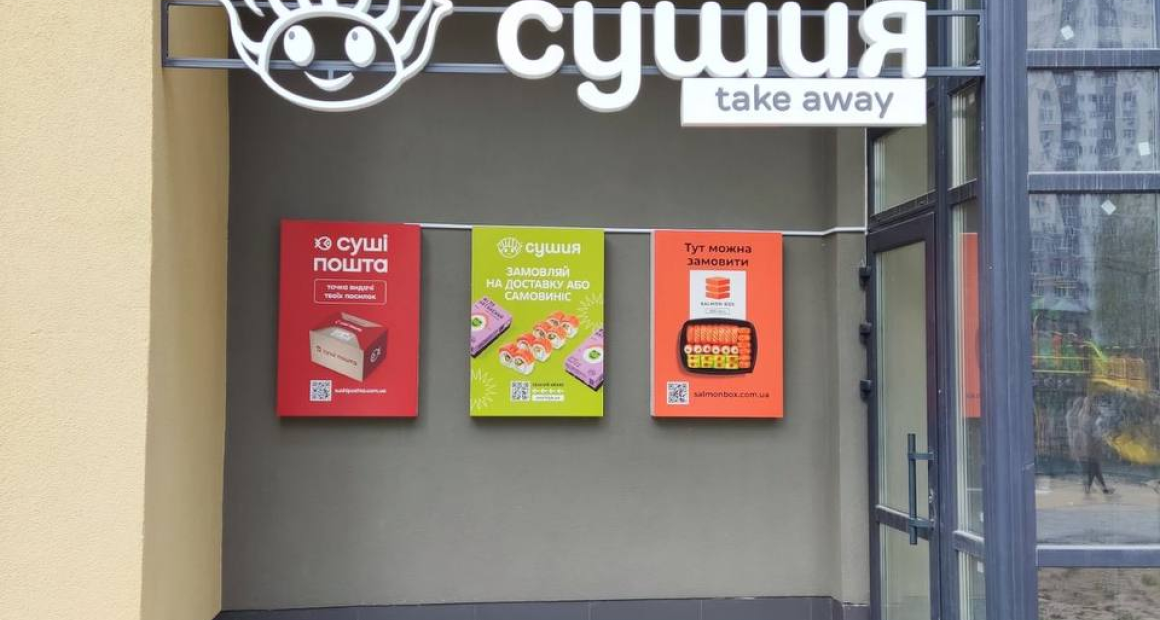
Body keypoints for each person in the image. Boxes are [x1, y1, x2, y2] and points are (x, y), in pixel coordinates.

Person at [1067, 395, 1115, 496]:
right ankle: (1090, 489)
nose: (1091, 406)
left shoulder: (1087, 415)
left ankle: (1100, 489)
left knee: (1095, 467)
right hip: (1088, 445)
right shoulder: (1085, 416)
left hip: (1091, 445)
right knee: (1094, 467)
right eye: (1089, 404)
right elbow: (1089, 431)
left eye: (1091, 404)